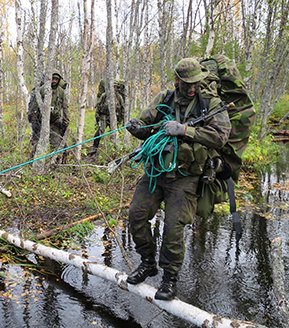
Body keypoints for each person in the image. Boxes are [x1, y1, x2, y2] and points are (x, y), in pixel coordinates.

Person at [124, 58, 231, 300]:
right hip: (156, 170)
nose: (192, 88)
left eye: (196, 83)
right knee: (136, 215)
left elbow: (220, 137)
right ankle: (148, 262)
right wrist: (136, 127)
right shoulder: (166, 98)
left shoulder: (210, 103)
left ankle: (169, 278)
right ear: (177, 80)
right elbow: (145, 126)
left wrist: (185, 130)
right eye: (187, 83)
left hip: (185, 175)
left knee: (173, 227)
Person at [27, 70, 69, 157]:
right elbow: (33, 107)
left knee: (57, 145)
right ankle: (34, 164)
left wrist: (66, 122)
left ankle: (56, 164)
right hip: (40, 122)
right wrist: (34, 122)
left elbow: (65, 108)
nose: (54, 81)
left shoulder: (60, 92)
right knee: (38, 146)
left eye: (56, 79)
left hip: (55, 122)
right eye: (52, 79)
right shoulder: (41, 90)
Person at [88, 79, 126, 156]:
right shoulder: (104, 95)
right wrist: (97, 116)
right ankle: (95, 148)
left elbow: (122, 110)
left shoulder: (119, 97)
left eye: (115, 87)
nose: (114, 89)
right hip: (104, 117)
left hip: (114, 118)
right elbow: (98, 107)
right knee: (99, 132)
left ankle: (115, 150)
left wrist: (122, 121)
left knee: (114, 134)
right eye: (113, 87)